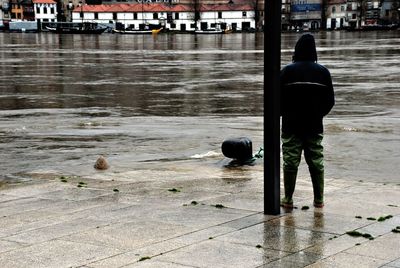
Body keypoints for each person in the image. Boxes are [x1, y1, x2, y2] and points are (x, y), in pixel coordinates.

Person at [280, 34, 335, 208]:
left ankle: (288, 199)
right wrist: (317, 114)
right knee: (316, 162)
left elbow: (277, 99)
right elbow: (330, 101)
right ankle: (319, 200)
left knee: (290, 162)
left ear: (296, 50)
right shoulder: (323, 72)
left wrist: (285, 113)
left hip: (291, 125)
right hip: (314, 125)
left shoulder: (287, 71)